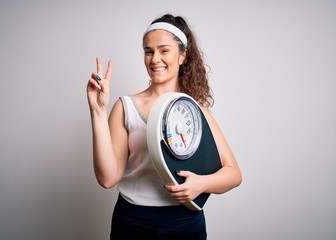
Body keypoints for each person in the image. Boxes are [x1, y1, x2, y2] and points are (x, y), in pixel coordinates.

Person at [87, 14, 242, 240]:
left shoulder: (196, 112)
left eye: (164, 50)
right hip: (132, 221)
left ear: (183, 55)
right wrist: (98, 112)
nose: (154, 59)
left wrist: (201, 184)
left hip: (185, 222)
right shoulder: (126, 107)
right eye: (148, 51)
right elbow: (108, 179)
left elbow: (234, 174)